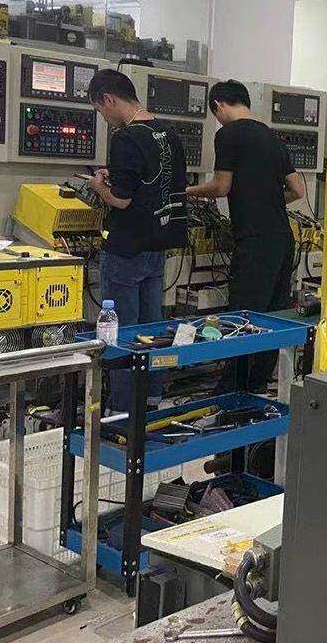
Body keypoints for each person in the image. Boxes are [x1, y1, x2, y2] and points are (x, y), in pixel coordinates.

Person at [187, 79, 304, 391]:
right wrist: (267, 199)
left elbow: (221, 186)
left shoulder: (228, 134)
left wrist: (187, 191)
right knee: (273, 317)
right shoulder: (272, 137)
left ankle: (232, 391)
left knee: (243, 317)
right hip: (283, 239)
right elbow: (298, 190)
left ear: (219, 106)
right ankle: (257, 386)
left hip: (255, 240)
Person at [87, 69, 187, 412]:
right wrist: (117, 177)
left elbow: (122, 200)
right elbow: (154, 184)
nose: (104, 118)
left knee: (122, 333)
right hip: (156, 247)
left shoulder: (126, 138)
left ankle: (121, 409)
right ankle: (152, 399)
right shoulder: (168, 133)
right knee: (152, 328)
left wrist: (99, 186)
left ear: (109, 99)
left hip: (126, 250)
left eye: (101, 110)